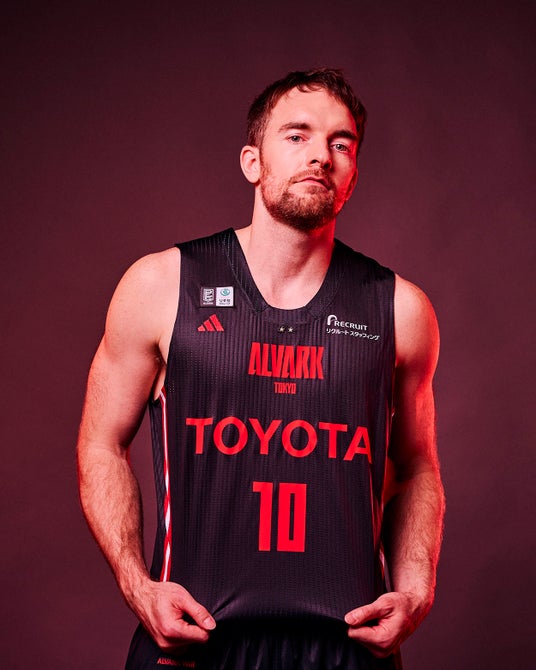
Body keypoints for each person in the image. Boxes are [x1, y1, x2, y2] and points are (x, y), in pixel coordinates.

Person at [77, 68, 445, 669]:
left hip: (346, 648)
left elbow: (416, 465)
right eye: (297, 136)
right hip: (192, 643)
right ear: (253, 161)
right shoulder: (161, 286)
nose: (320, 156)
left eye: (341, 144)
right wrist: (137, 585)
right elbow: (101, 443)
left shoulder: (401, 309)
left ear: (353, 175)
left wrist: (416, 591)